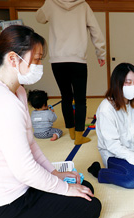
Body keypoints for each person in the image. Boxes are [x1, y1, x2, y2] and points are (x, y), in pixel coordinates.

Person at [0, 25, 101, 218]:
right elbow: (25, 170)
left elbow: (31, 144)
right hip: (7, 205)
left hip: (22, 187)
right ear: (13, 59)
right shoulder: (3, 102)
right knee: (90, 208)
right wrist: (65, 189)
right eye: (37, 59)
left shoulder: (18, 91)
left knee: (83, 185)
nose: (40, 65)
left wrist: (55, 173)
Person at [36, 0, 106, 145]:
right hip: (78, 60)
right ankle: (79, 136)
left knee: (66, 97)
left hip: (57, 61)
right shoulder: (83, 5)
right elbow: (95, 30)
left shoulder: (51, 3)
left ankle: (72, 131)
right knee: (80, 99)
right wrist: (101, 53)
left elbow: (39, 18)